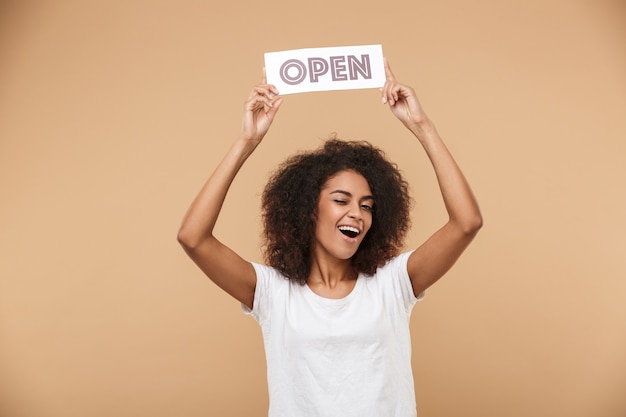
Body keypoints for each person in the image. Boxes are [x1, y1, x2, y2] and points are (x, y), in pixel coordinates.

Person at [177, 59, 482, 417]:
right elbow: (193, 237)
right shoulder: (274, 293)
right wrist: (247, 140)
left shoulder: (391, 283)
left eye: (367, 206)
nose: (357, 213)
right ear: (307, 207)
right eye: (341, 200)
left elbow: (466, 222)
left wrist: (422, 126)